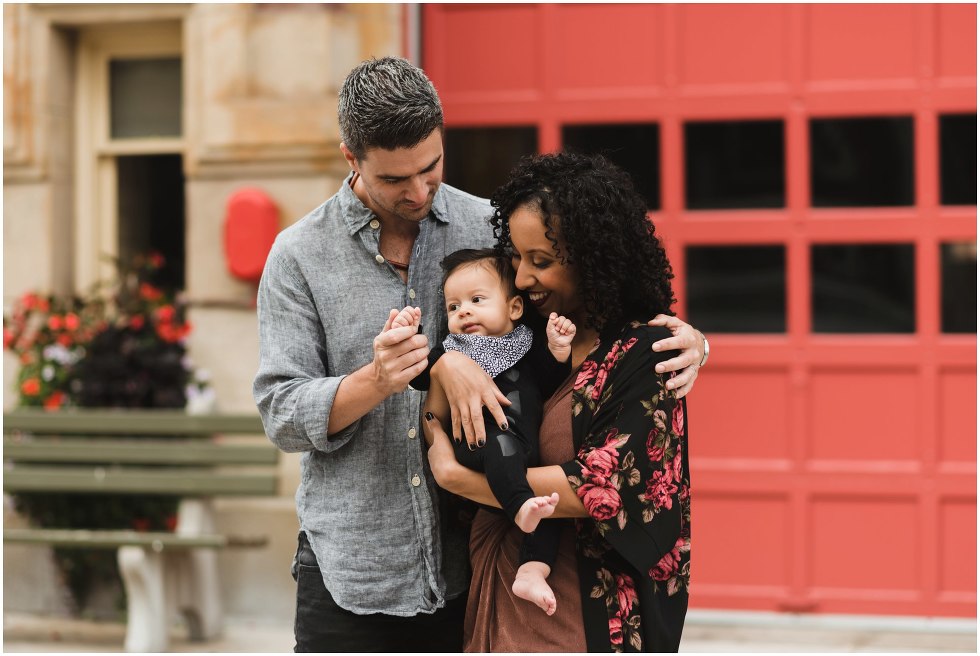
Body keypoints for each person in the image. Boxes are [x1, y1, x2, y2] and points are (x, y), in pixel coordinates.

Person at [253, 56, 705, 652]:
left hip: (472, 570)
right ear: (351, 158)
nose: (417, 191)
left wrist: (688, 339)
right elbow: (282, 412)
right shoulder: (298, 256)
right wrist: (384, 377)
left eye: (431, 166)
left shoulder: (487, 224)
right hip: (352, 573)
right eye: (394, 180)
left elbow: (580, 309)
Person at [423, 152, 692, 652]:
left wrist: (460, 480)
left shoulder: (645, 354)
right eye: (517, 259)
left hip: (577, 608)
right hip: (499, 591)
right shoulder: (531, 334)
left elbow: (600, 487)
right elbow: (441, 419)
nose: (521, 278)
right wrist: (445, 363)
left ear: (591, 258)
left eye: (540, 262)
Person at [393, 248, 576, 616]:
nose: (463, 312)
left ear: (514, 309)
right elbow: (417, 376)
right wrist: (405, 336)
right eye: (453, 307)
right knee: (505, 451)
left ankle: (531, 571)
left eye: (476, 300)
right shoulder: (451, 349)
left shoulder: (525, 344)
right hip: (477, 443)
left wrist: (557, 349)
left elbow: (551, 379)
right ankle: (519, 505)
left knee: (550, 512)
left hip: (525, 448)